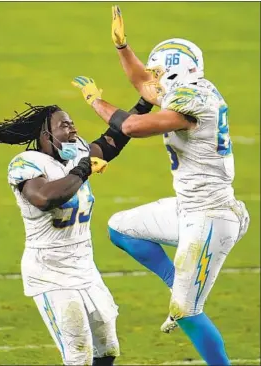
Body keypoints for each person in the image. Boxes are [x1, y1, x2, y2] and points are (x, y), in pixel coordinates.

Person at [70, 5, 250, 365]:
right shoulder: (190, 87)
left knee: (185, 311)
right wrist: (123, 48)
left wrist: (95, 102)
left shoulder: (193, 98)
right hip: (189, 207)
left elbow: (134, 127)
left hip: (210, 216)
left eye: (159, 69)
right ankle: (179, 282)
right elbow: (144, 84)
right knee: (121, 229)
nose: (153, 76)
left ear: (175, 70)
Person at [0, 96, 152, 365]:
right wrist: (83, 169)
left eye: (73, 124)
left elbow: (112, 140)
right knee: (79, 355)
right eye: (64, 125)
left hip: (84, 267)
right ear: (46, 134)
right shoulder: (27, 163)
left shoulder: (77, 152)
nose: (73, 130)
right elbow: (44, 198)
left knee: (108, 349)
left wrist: (144, 105)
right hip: (50, 270)